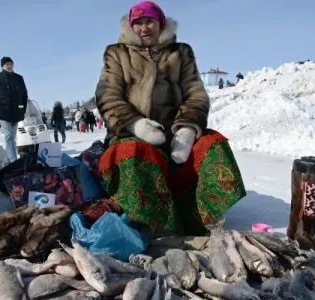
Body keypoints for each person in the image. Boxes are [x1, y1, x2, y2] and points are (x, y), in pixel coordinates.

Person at [95, 1, 246, 236]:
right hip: (130, 134)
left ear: (160, 24)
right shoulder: (116, 53)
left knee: (213, 143)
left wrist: (186, 130)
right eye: (139, 23)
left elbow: (196, 93)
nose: (145, 28)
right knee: (133, 152)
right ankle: (151, 224)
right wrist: (136, 124)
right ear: (131, 27)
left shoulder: (181, 52)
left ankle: (202, 216)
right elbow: (107, 94)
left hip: (174, 135)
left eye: (150, 22)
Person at [0, 56, 28, 162]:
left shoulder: (19, 78)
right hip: (4, 113)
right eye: (7, 64)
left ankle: (6, 162)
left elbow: (24, 95)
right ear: (3, 66)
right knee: (9, 138)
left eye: (11, 64)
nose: (10, 66)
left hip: (17, 114)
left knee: (11, 139)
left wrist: (22, 110)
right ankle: (14, 161)